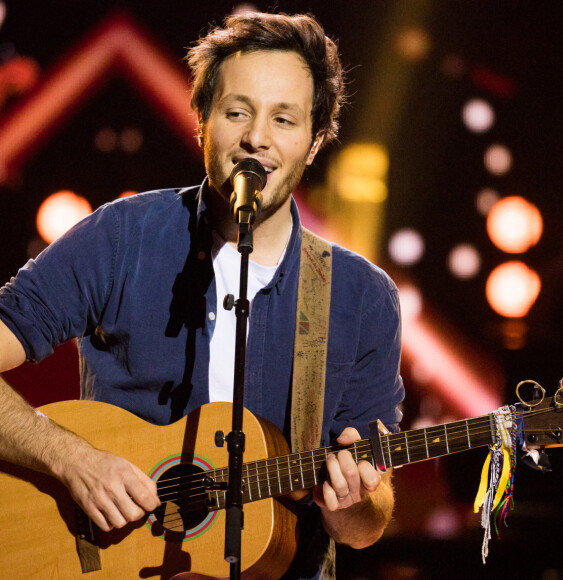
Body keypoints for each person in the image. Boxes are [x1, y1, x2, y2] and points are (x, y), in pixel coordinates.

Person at [0, 11, 404, 580]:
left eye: (284, 119)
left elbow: (366, 527)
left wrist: (354, 503)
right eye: (237, 111)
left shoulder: (363, 298)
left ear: (313, 145)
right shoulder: (122, 237)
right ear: (201, 123)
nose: (256, 138)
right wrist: (71, 459)